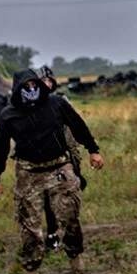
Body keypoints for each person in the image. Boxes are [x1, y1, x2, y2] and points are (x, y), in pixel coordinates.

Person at [0, 69, 104, 274]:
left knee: (70, 216)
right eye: (26, 87)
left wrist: (93, 150)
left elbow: (78, 126)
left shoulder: (56, 104)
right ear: (18, 89)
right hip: (28, 174)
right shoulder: (9, 114)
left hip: (59, 169)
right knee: (29, 224)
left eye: (34, 85)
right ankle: (31, 269)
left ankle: (74, 256)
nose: (31, 90)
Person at [37, 65, 86, 252]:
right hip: (43, 159)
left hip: (66, 155)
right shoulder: (31, 105)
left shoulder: (61, 101)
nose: (47, 84)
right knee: (47, 200)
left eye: (50, 81)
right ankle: (52, 232)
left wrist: (77, 164)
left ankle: (70, 236)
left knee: (68, 198)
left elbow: (74, 127)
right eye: (43, 81)